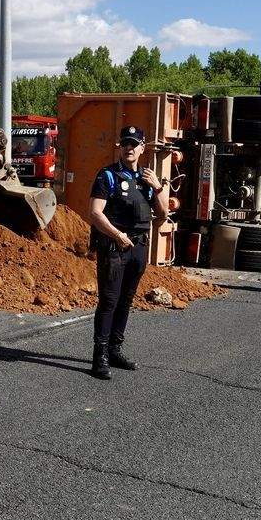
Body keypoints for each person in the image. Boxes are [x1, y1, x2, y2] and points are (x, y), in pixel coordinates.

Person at [87, 125, 170, 379]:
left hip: (138, 247)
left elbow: (164, 214)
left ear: (143, 148)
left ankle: (115, 349)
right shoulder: (108, 175)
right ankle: (99, 357)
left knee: (126, 300)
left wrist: (157, 188)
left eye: (134, 144)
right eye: (125, 144)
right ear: (120, 147)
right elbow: (94, 213)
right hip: (114, 246)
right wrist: (118, 235)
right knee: (109, 301)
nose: (129, 148)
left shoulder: (147, 180)